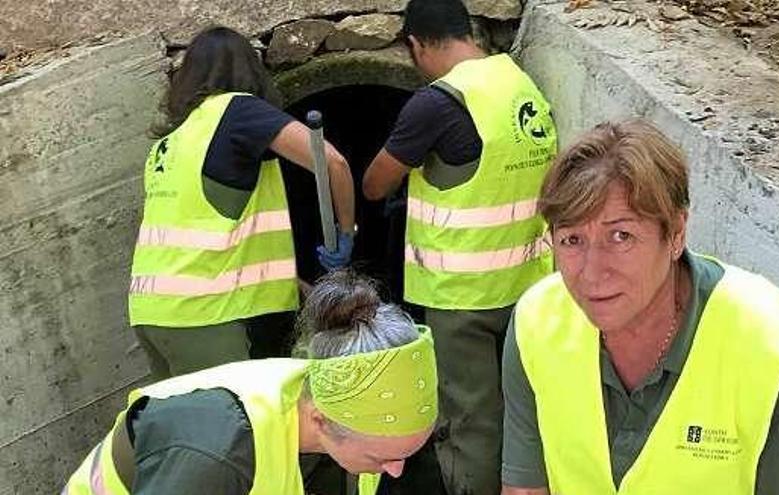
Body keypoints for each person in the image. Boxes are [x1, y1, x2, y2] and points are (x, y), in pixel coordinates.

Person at [501, 119, 779, 495]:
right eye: (572, 240)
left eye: (621, 236)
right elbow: (525, 488)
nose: (591, 273)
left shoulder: (771, 347)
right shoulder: (536, 322)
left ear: (675, 234)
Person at [361, 1, 558, 493]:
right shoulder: (518, 83)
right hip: (530, 284)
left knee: (471, 417)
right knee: (525, 405)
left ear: (416, 44)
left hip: (461, 296)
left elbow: (374, 185)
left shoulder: (437, 102)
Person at [63, 270, 438, 495]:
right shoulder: (214, 453)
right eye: (382, 458)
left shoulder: (331, 400)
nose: (396, 471)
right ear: (321, 420)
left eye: (406, 454)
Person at [128, 27, 357, 378]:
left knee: (187, 428)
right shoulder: (237, 109)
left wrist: (301, 289)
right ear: (250, 70)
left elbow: (213, 243)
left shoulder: (171, 142)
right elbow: (331, 161)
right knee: (237, 426)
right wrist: (346, 232)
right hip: (206, 317)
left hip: (151, 316)